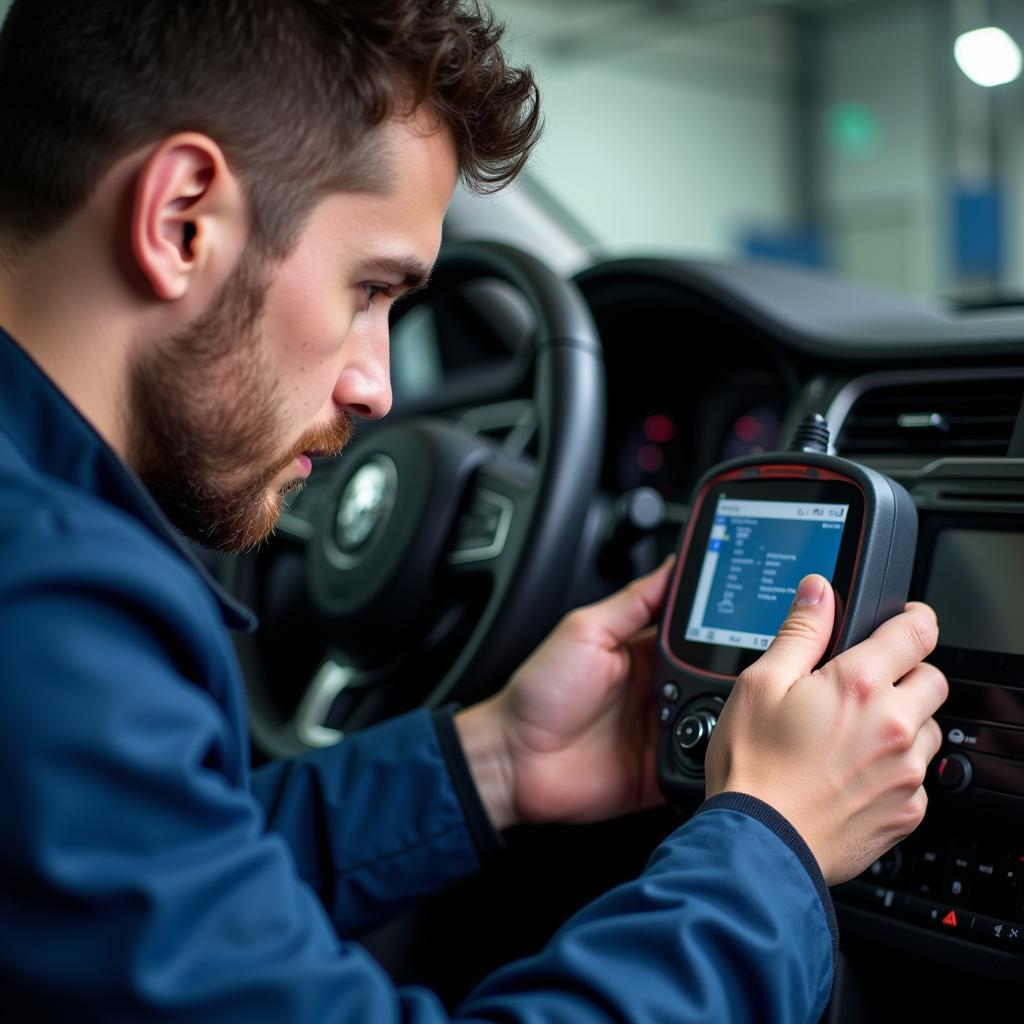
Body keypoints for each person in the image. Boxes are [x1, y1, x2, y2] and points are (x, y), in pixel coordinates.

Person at [0, 1, 947, 1021]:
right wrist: (775, 845)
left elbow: (159, 895)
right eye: (368, 290)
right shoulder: (50, 604)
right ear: (181, 217)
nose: (378, 389)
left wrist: (494, 759)